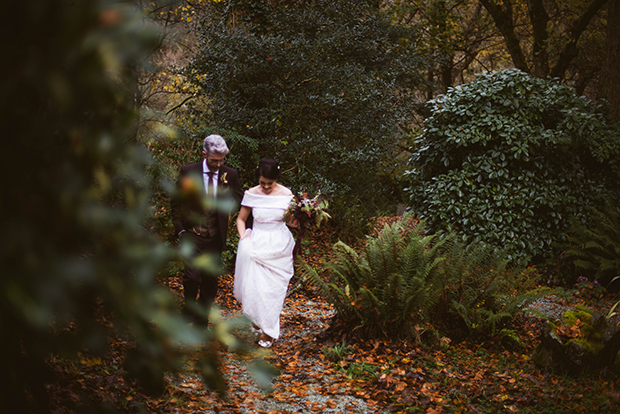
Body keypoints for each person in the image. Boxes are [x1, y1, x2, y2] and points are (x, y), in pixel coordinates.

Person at [171, 134, 244, 325]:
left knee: (210, 282)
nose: (219, 165)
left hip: (215, 237)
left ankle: (202, 320)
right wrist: (180, 230)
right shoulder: (188, 172)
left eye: (221, 161)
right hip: (191, 235)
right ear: (204, 154)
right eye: (214, 160)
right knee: (191, 278)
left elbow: (242, 201)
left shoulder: (231, 174)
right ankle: (189, 309)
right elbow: (176, 202)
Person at [234, 158, 296, 348]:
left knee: (273, 291)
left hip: (279, 245)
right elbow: (241, 219)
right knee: (253, 288)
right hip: (257, 244)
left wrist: (305, 216)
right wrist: (244, 238)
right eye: (263, 183)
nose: (266, 186)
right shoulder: (252, 194)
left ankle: (269, 333)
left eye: (270, 183)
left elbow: (292, 222)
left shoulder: (286, 195)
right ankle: (257, 320)